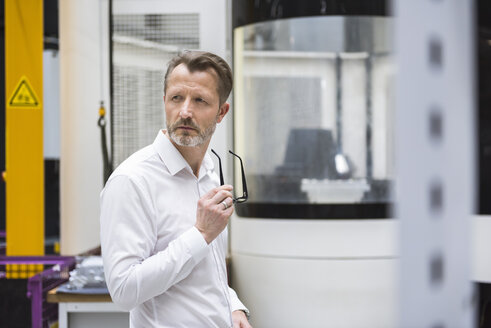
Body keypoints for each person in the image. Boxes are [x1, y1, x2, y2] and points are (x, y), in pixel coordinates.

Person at [100, 51, 251, 328]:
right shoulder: (132, 181)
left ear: (221, 112)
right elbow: (123, 291)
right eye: (176, 98)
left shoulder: (208, 171)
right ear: (164, 101)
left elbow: (207, 267)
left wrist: (232, 306)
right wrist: (201, 234)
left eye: (200, 101)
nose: (185, 112)